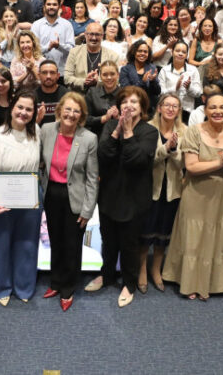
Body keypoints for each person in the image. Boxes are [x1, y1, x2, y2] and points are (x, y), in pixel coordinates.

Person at [162, 93, 223, 301]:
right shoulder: (194, 131)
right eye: (213, 107)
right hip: (196, 192)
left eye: (222, 107)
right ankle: (190, 282)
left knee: (216, 237)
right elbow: (191, 167)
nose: (218, 111)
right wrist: (220, 162)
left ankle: (211, 284)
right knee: (193, 238)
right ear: (205, 110)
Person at [84, 86, 157, 308]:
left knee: (129, 245)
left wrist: (128, 132)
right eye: (125, 102)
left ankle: (129, 283)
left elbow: (135, 160)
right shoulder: (110, 126)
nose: (129, 106)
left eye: (134, 102)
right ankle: (106, 275)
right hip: (109, 194)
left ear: (142, 108)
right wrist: (117, 130)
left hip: (134, 198)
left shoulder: (149, 131)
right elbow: (103, 155)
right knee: (108, 241)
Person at [0, 90, 43, 306]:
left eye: (29, 109)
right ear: (11, 108)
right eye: (20, 107)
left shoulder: (36, 132)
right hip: (1, 200)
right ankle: (2, 287)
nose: (23, 113)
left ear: (34, 113)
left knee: (27, 244)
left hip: (30, 199)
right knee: (1, 245)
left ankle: (24, 286)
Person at [40, 93, 99, 311]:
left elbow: (92, 178)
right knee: (55, 241)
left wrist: (88, 210)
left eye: (76, 111)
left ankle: (68, 288)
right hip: (51, 194)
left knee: (72, 245)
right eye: (68, 109)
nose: (71, 114)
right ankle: (56, 282)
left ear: (81, 115)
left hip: (75, 197)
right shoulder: (47, 130)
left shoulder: (89, 138)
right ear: (60, 110)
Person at [139, 93, 185, 293]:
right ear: (159, 108)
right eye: (167, 105)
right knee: (145, 231)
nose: (170, 109)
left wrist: (173, 150)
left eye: (175, 106)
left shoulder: (185, 131)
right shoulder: (148, 128)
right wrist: (166, 148)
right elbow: (146, 159)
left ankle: (156, 269)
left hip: (173, 189)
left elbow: (184, 162)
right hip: (150, 188)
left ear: (179, 110)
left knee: (164, 233)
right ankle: (142, 268)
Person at [64, 21, 120, 92]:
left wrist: (98, 81)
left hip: (103, 96)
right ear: (85, 35)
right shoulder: (74, 52)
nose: (94, 38)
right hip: (79, 95)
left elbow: (116, 80)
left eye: (97, 34)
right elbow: (67, 78)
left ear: (102, 36)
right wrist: (84, 81)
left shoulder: (112, 56)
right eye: (91, 34)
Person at [159, 40, 202, 123]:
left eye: (183, 52)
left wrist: (189, 87)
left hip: (187, 111)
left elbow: (198, 93)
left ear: (187, 55)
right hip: (169, 111)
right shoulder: (164, 70)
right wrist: (175, 88)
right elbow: (161, 93)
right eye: (177, 51)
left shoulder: (193, 70)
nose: (180, 54)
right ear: (172, 52)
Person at [84, 60, 121, 137]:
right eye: (105, 75)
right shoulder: (92, 92)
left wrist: (119, 117)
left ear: (118, 75)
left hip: (120, 135)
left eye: (112, 74)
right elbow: (85, 119)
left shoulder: (125, 94)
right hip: (96, 135)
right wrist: (104, 118)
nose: (109, 77)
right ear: (100, 76)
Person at [35, 60, 69, 125]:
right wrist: (38, 120)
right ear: (39, 75)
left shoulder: (68, 95)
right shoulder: (31, 97)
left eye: (52, 73)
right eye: (44, 73)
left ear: (58, 75)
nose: (48, 76)